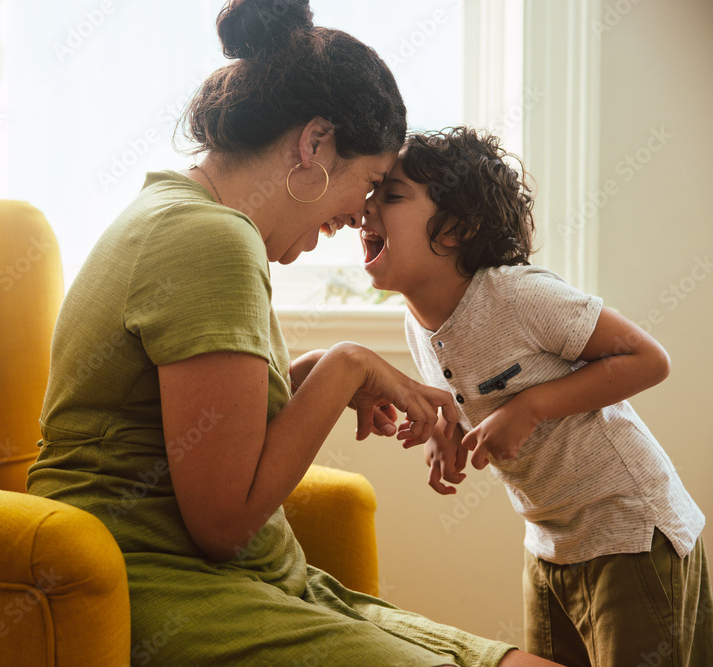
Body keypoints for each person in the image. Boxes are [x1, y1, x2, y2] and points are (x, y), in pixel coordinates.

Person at [28, 1, 560, 665]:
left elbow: (206, 429)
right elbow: (223, 522)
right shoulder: (210, 240)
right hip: (163, 587)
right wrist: (347, 365)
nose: (358, 216)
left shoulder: (177, 211)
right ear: (314, 144)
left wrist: (326, 378)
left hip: (246, 581)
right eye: (369, 182)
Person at [360, 125, 711, 666]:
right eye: (369, 195)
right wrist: (445, 429)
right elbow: (472, 388)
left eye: (392, 197)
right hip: (550, 542)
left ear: (454, 228)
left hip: (628, 532)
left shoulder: (518, 295)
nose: (366, 210)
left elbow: (649, 359)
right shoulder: (418, 320)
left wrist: (530, 407)